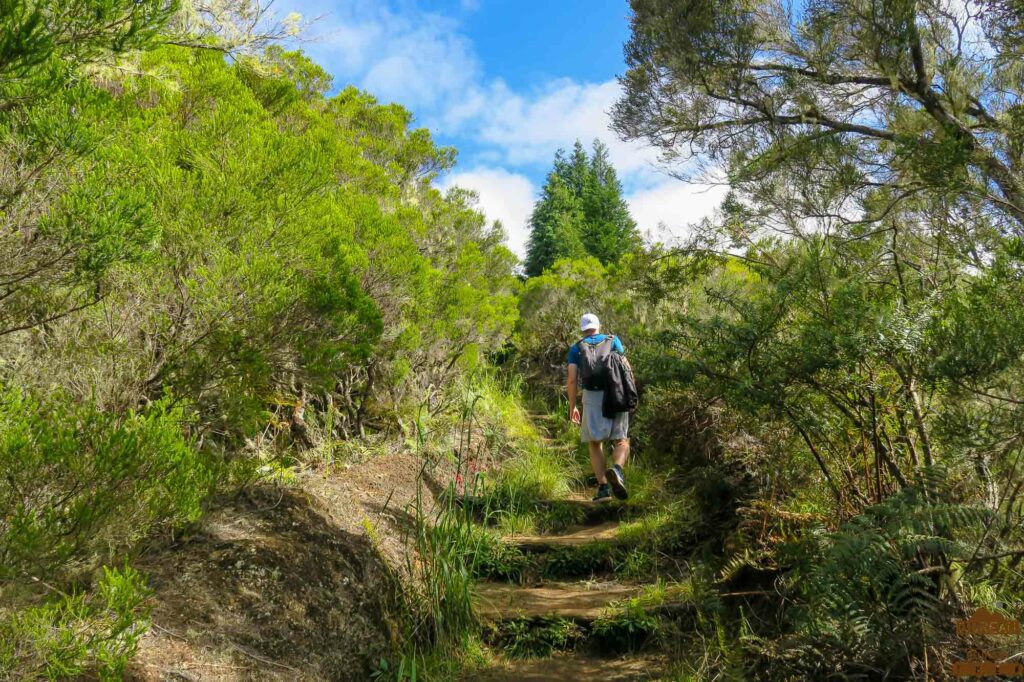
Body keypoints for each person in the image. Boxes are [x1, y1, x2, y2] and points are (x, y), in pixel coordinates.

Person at [567, 313, 629, 502]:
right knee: (622, 440)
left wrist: (572, 407)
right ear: (598, 325)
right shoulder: (613, 341)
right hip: (616, 393)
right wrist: (630, 396)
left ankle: (603, 489)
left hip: (591, 396)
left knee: (595, 443)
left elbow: (571, 380)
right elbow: (626, 368)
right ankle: (617, 470)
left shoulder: (576, 348)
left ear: (582, 328)